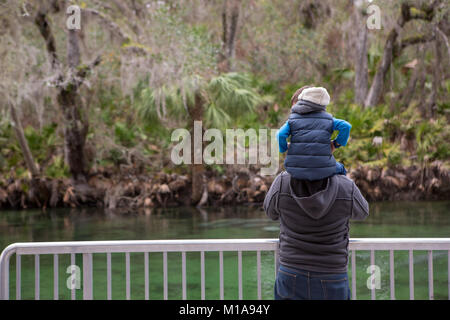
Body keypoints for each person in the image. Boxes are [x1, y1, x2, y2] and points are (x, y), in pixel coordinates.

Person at [263, 170, 369, 300]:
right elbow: (363, 212)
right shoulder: (346, 185)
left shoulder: (282, 181)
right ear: (331, 149)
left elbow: (270, 212)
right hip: (332, 272)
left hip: (291, 271)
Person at [277, 86, 352, 181]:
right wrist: (336, 144)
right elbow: (346, 126)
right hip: (324, 168)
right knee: (341, 168)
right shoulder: (329, 119)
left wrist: (284, 148)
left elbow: (280, 135)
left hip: (294, 168)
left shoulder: (292, 120)